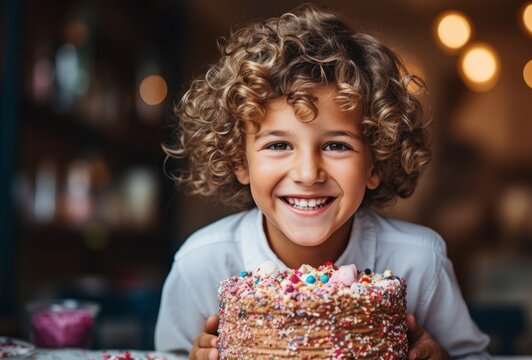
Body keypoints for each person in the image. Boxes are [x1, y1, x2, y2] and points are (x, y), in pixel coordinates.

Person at [155, 3, 490, 359]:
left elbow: (472, 355)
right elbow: (167, 354)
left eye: (335, 145)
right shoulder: (202, 263)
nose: (307, 173)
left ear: (375, 161)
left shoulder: (419, 262)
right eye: (279, 144)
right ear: (241, 160)